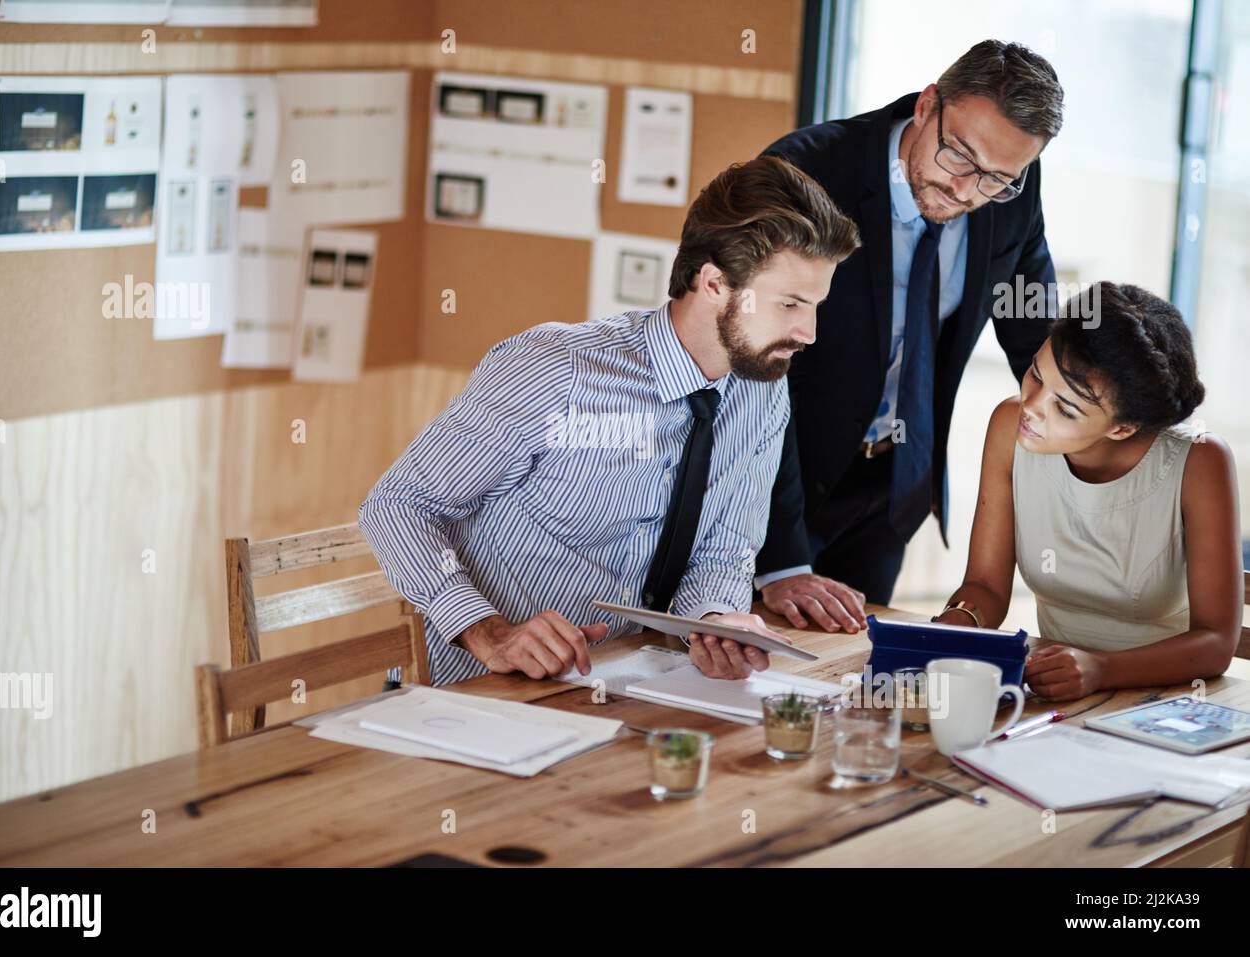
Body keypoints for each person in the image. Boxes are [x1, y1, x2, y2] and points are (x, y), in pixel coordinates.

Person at [359, 156, 861, 686]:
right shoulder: (554, 369)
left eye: (815, 306)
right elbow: (400, 505)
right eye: (789, 304)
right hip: (469, 690)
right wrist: (489, 631)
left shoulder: (761, 393)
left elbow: (724, 549)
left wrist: (714, 622)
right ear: (714, 283)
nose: (808, 332)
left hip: (612, 686)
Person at [754, 40, 1065, 631]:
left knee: (850, 681)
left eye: (999, 178)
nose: (969, 191)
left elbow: (1036, 332)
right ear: (927, 106)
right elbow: (751, 371)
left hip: (891, 493)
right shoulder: (806, 174)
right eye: (959, 158)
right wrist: (781, 559)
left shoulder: (1009, 189)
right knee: (749, 678)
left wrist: (1117, 436)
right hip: (776, 486)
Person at [934, 282, 1242, 701]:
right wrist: (952, 628)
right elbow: (985, 586)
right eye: (1036, 374)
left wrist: (1102, 669)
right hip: (1059, 692)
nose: (1032, 406)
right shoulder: (1010, 427)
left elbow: (1216, 643)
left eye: (1065, 408)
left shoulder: (1199, 461)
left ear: (1122, 427)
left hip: (1170, 702)